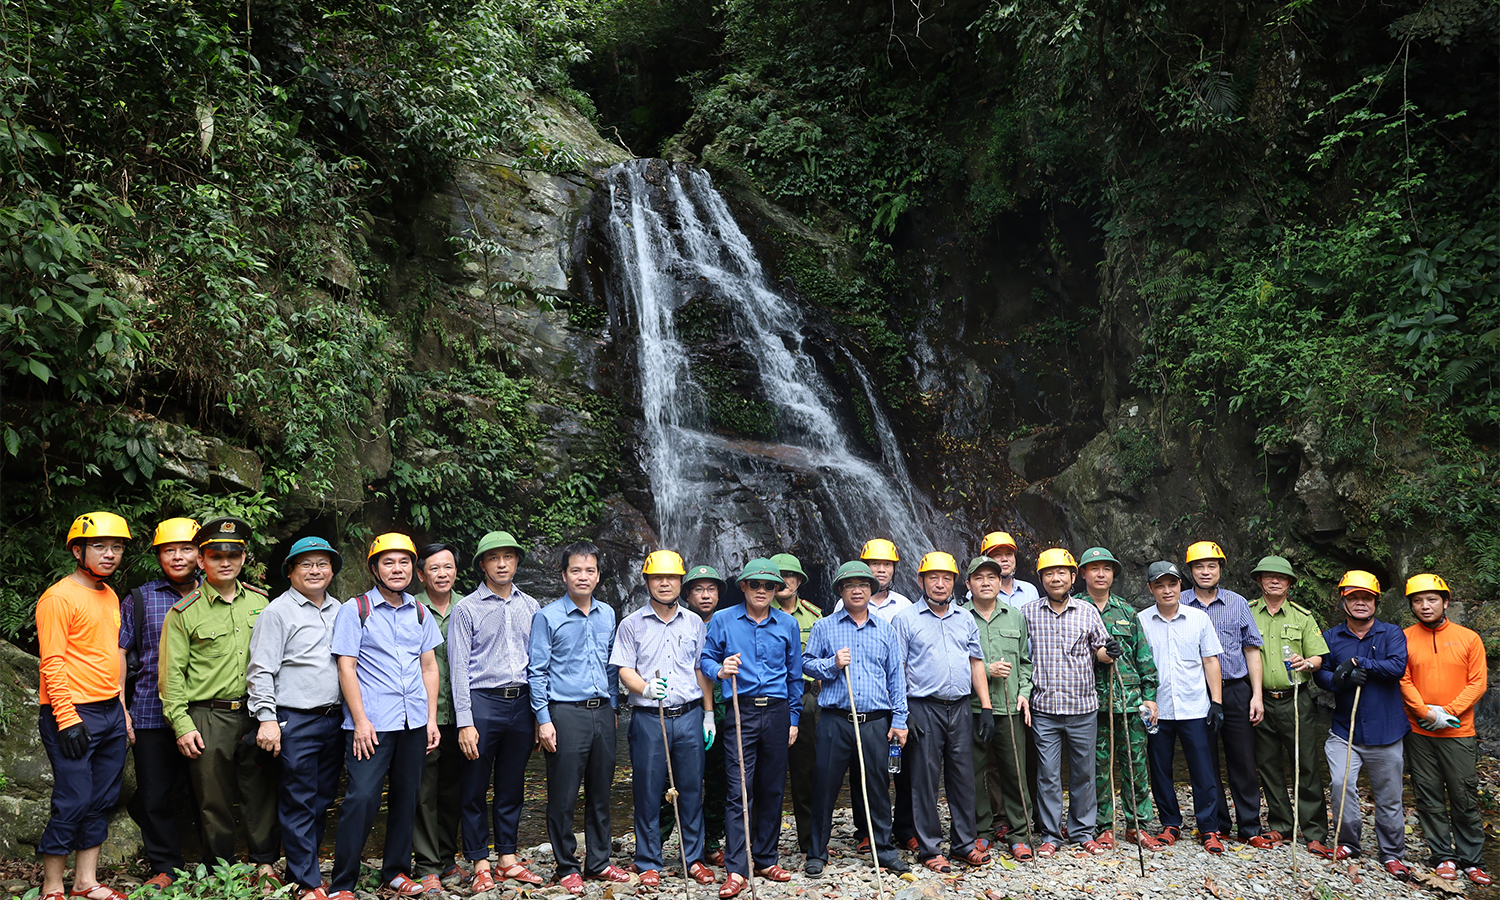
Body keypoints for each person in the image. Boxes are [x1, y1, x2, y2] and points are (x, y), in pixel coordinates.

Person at [159, 517, 280, 884]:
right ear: (201, 560)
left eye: (233, 553)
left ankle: (264, 862)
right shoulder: (184, 611)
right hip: (208, 716)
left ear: (243, 557)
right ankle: (221, 870)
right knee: (213, 798)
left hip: (256, 711)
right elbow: (171, 677)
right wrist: (181, 725)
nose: (224, 561)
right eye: (215, 555)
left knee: (260, 792)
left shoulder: (262, 603)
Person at [329, 533, 443, 899]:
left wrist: (430, 719)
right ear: (375, 568)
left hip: (412, 722)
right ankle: (342, 882)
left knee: (407, 796)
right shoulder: (356, 609)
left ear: (414, 568)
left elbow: (429, 666)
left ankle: (395, 871)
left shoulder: (420, 611)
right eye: (389, 562)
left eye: (404, 562)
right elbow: (346, 667)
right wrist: (360, 721)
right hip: (373, 724)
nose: (398, 569)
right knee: (362, 798)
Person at [36, 512, 134, 900]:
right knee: (72, 799)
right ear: (78, 550)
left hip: (109, 710)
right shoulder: (59, 597)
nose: (110, 554)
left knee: (102, 800)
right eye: (100, 547)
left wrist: (121, 709)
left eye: (117, 547)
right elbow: (52, 662)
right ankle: (52, 886)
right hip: (74, 712)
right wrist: (66, 717)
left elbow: (110, 656)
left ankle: (85, 882)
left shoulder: (108, 594)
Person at [247, 536, 346, 900]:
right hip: (296, 719)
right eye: (306, 564)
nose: (315, 570)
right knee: (298, 798)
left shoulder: (342, 610)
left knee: (322, 798)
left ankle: (301, 867)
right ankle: (308, 883)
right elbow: (260, 671)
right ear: (290, 571)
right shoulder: (277, 612)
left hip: (334, 719)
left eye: (322, 563)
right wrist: (267, 719)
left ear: (332, 570)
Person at [611, 551, 717, 887]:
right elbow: (624, 668)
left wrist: (709, 714)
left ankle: (693, 858)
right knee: (648, 789)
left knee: (689, 788)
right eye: (658, 577)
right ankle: (648, 861)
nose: (665, 583)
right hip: (647, 717)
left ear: (680, 582)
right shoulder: (631, 624)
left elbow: (701, 669)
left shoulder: (694, 623)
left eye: (671, 577)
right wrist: (644, 686)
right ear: (646, 582)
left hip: (688, 716)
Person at [528, 541, 627, 894]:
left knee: (601, 791)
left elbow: (612, 667)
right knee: (563, 794)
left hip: (602, 710)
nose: (582, 576)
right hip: (565, 712)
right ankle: (567, 865)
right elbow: (536, 672)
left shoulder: (608, 614)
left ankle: (598, 861)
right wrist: (543, 719)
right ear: (564, 574)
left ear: (598, 576)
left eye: (589, 570)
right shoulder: (547, 616)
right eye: (575, 570)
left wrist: (613, 707)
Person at [700, 558, 802, 899]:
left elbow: (794, 675)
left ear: (777, 590)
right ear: (743, 586)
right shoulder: (724, 620)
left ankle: (766, 858)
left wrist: (795, 718)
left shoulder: (786, 624)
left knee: (772, 788)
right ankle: (737, 868)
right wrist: (720, 669)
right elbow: (705, 659)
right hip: (740, 711)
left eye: (769, 586)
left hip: (777, 712)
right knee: (738, 790)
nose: (762, 591)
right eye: (755, 585)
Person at [801, 561, 911, 877]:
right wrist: (832, 665)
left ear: (871, 591)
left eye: (864, 585)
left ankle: (884, 850)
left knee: (877, 786)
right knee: (824, 786)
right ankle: (817, 852)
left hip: (875, 721)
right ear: (841, 590)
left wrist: (899, 720)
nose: (858, 590)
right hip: (835, 719)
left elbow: (896, 679)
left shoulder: (886, 630)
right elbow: (806, 665)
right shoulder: (824, 627)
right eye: (851, 585)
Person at [452, 531, 543, 892]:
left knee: (512, 784)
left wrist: (539, 715)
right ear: (482, 565)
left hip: (521, 702)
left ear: (517, 561)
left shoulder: (531, 606)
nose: (502, 564)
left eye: (508, 557)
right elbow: (458, 668)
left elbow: (538, 663)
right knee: (474, 785)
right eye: (494, 558)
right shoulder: (466, 608)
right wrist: (465, 722)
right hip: (482, 701)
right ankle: (479, 861)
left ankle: (507, 857)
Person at [893, 552, 993, 873]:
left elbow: (976, 662)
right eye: (933, 578)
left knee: (963, 777)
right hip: (923, 707)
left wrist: (986, 706)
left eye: (946, 578)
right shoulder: (906, 619)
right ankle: (929, 848)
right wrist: (903, 711)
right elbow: (898, 669)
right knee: (924, 778)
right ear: (920, 581)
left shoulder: (965, 618)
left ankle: (964, 844)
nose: (939, 584)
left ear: (954, 582)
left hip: (961, 706)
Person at [1021, 549, 1119, 857]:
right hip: (1044, 710)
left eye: (1062, 572)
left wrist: (1109, 651)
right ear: (1041, 579)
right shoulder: (1028, 612)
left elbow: (1100, 651)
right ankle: (1050, 834)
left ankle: (1082, 831)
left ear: (1073, 577)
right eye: (1049, 573)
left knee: (1083, 774)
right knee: (1048, 775)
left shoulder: (1088, 612)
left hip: (1082, 708)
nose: (1056, 578)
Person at [1314, 570, 1410, 880]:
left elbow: (1397, 666)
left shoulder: (1392, 633)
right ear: (1343, 601)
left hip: (1386, 731)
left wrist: (1358, 663)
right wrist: (1340, 678)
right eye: (1353, 597)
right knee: (1341, 784)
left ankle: (1393, 853)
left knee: (1389, 794)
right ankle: (1348, 843)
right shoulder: (1330, 637)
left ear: (1375, 601)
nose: (1360, 603)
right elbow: (1322, 676)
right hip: (1345, 731)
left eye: (1366, 598)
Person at [120, 517, 200, 889]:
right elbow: (120, 655)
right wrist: (122, 708)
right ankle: (166, 866)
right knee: (155, 794)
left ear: (202, 554)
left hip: (203, 711)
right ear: (159, 556)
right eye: (170, 550)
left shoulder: (219, 594)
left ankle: (217, 862)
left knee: (210, 792)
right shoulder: (140, 598)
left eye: (187, 549)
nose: (179, 556)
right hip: (151, 710)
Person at [1399, 574, 1490, 886]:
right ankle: (1442, 857)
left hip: (1458, 731)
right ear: (1411, 605)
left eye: (1432, 600)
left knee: (1463, 795)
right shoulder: (1405, 637)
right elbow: (1403, 678)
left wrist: (1448, 713)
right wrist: (1424, 711)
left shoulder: (1469, 638)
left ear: (1446, 602)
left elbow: (1478, 682)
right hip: (1419, 731)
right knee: (1428, 795)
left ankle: (1472, 859)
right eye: (1418, 601)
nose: (1425, 606)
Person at [1075, 547, 1161, 851]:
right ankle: (1103, 825)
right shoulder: (1074, 610)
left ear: (1113, 575)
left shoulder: (1127, 612)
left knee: (1136, 766)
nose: (1100, 574)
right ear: (1083, 574)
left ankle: (1137, 825)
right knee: (1097, 767)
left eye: (1106, 569)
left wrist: (1150, 697)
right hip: (1091, 704)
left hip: (1129, 700)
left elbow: (1143, 657)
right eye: (1094, 568)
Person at [1182, 541, 1267, 845]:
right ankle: (1215, 822)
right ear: (1190, 570)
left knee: (1243, 759)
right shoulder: (1177, 602)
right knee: (1204, 759)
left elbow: (1252, 650)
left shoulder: (1237, 602)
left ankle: (1250, 826)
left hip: (1234, 689)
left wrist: (1256, 695)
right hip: (1195, 691)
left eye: (1211, 566)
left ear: (1220, 569)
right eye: (1199, 566)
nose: (1205, 572)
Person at [1138, 561, 1226, 853]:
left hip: (1194, 707)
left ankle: (1209, 828)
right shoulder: (1140, 621)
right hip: (1156, 709)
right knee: (1160, 769)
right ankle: (1170, 823)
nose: (1167, 590)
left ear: (1180, 586)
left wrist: (1216, 702)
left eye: (1172, 584)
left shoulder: (1198, 619)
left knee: (1203, 770)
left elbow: (1211, 660)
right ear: (1150, 588)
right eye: (1159, 585)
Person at [1247, 555, 1332, 856]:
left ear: (1289, 584)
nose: (1274, 581)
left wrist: (1306, 663)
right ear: (1259, 581)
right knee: (1268, 765)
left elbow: (1318, 657)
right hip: (1259, 700)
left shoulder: (1302, 617)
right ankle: (1281, 825)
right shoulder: (1247, 613)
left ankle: (1314, 832)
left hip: (1296, 700)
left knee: (1306, 765)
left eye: (1280, 577)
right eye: (1268, 576)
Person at [840, 538, 914, 852]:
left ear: (894, 568)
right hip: (864, 702)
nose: (880, 570)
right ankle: (866, 830)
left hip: (897, 700)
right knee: (862, 770)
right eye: (874, 565)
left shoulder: (905, 606)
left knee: (904, 768)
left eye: (886, 565)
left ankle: (905, 827)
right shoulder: (842, 605)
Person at [963, 555, 1034, 861]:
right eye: (979, 578)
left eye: (991, 576)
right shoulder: (959, 616)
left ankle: (1020, 833)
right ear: (968, 584)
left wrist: (1024, 693)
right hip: (971, 707)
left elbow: (1026, 663)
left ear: (1000, 580)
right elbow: (950, 665)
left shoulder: (1014, 616)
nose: (986, 582)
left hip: (1009, 707)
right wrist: (982, 671)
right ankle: (983, 831)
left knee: (1014, 770)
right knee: (975, 772)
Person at [411, 542, 465, 890]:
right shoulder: (410, 608)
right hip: (422, 715)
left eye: (448, 567)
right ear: (421, 574)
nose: (442, 574)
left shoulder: (470, 606)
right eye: (434, 568)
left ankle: (448, 858)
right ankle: (427, 863)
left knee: (453, 791)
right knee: (423, 791)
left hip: (463, 717)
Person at [670, 564, 730, 867]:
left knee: (719, 779)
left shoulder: (730, 621)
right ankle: (660, 839)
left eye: (711, 589)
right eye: (698, 589)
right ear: (687, 593)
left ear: (719, 594)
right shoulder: (679, 623)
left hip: (723, 712)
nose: (705, 596)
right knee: (679, 778)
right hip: (689, 710)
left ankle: (710, 840)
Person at [771, 552, 822, 858]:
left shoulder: (815, 615)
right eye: (779, 576)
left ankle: (809, 842)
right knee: (768, 773)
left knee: (807, 772)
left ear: (799, 580)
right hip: (774, 698)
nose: (784, 581)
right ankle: (764, 844)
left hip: (807, 696)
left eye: (790, 575)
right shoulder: (761, 610)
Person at [979, 532, 1040, 609]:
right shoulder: (976, 593)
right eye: (997, 554)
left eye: (1009, 554)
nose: (1004, 559)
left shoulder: (1029, 590)